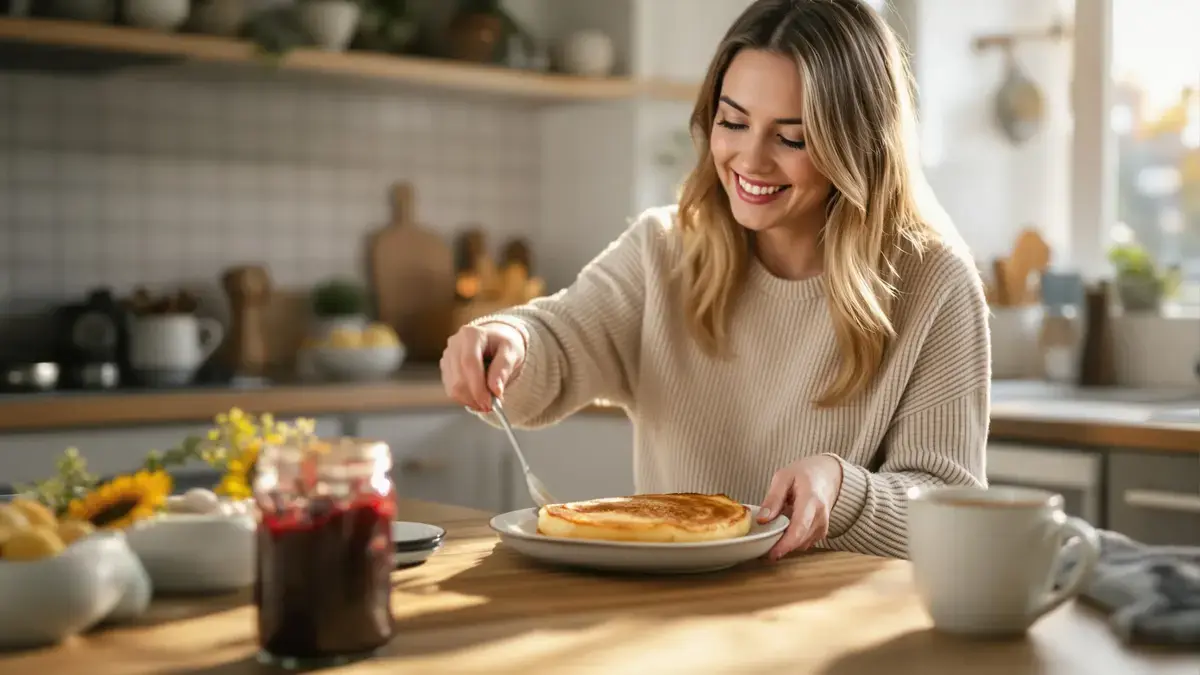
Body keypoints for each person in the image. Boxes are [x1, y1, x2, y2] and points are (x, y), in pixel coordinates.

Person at [439, 0, 989, 561]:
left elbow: (952, 507)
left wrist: (842, 490)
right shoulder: (664, 249)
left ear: (856, 146)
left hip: (836, 630)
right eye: (733, 122)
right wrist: (510, 342)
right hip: (667, 614)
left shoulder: (934, 283)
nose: (750, 159)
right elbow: (560, 343)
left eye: (791, 138)